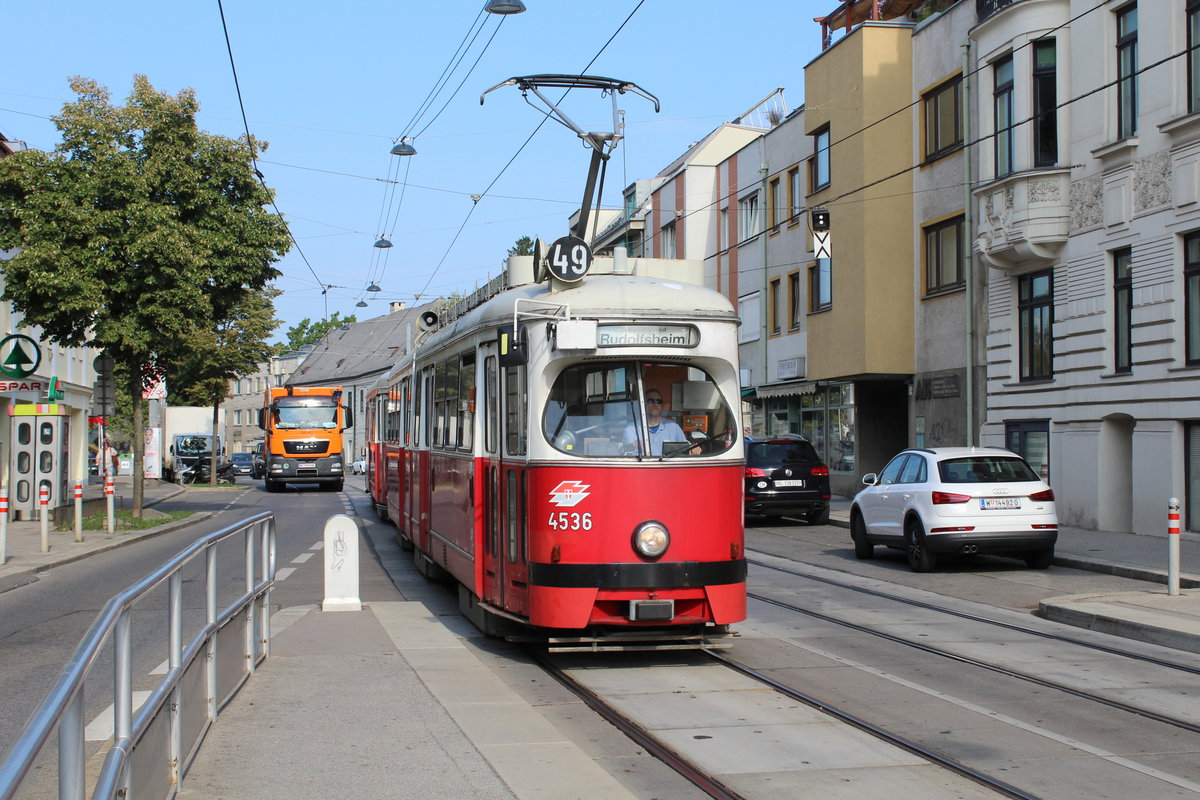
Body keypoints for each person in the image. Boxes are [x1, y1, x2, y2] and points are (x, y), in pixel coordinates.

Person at [624, 390, 689, 456]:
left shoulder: (673, 427)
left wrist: (693, 448)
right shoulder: (632, 428)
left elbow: (686, 447)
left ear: (662, 406)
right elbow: (625, 451)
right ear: (643, 404)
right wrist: (634, 444)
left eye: (659, 401)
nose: (655, 404)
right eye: (650, 401)